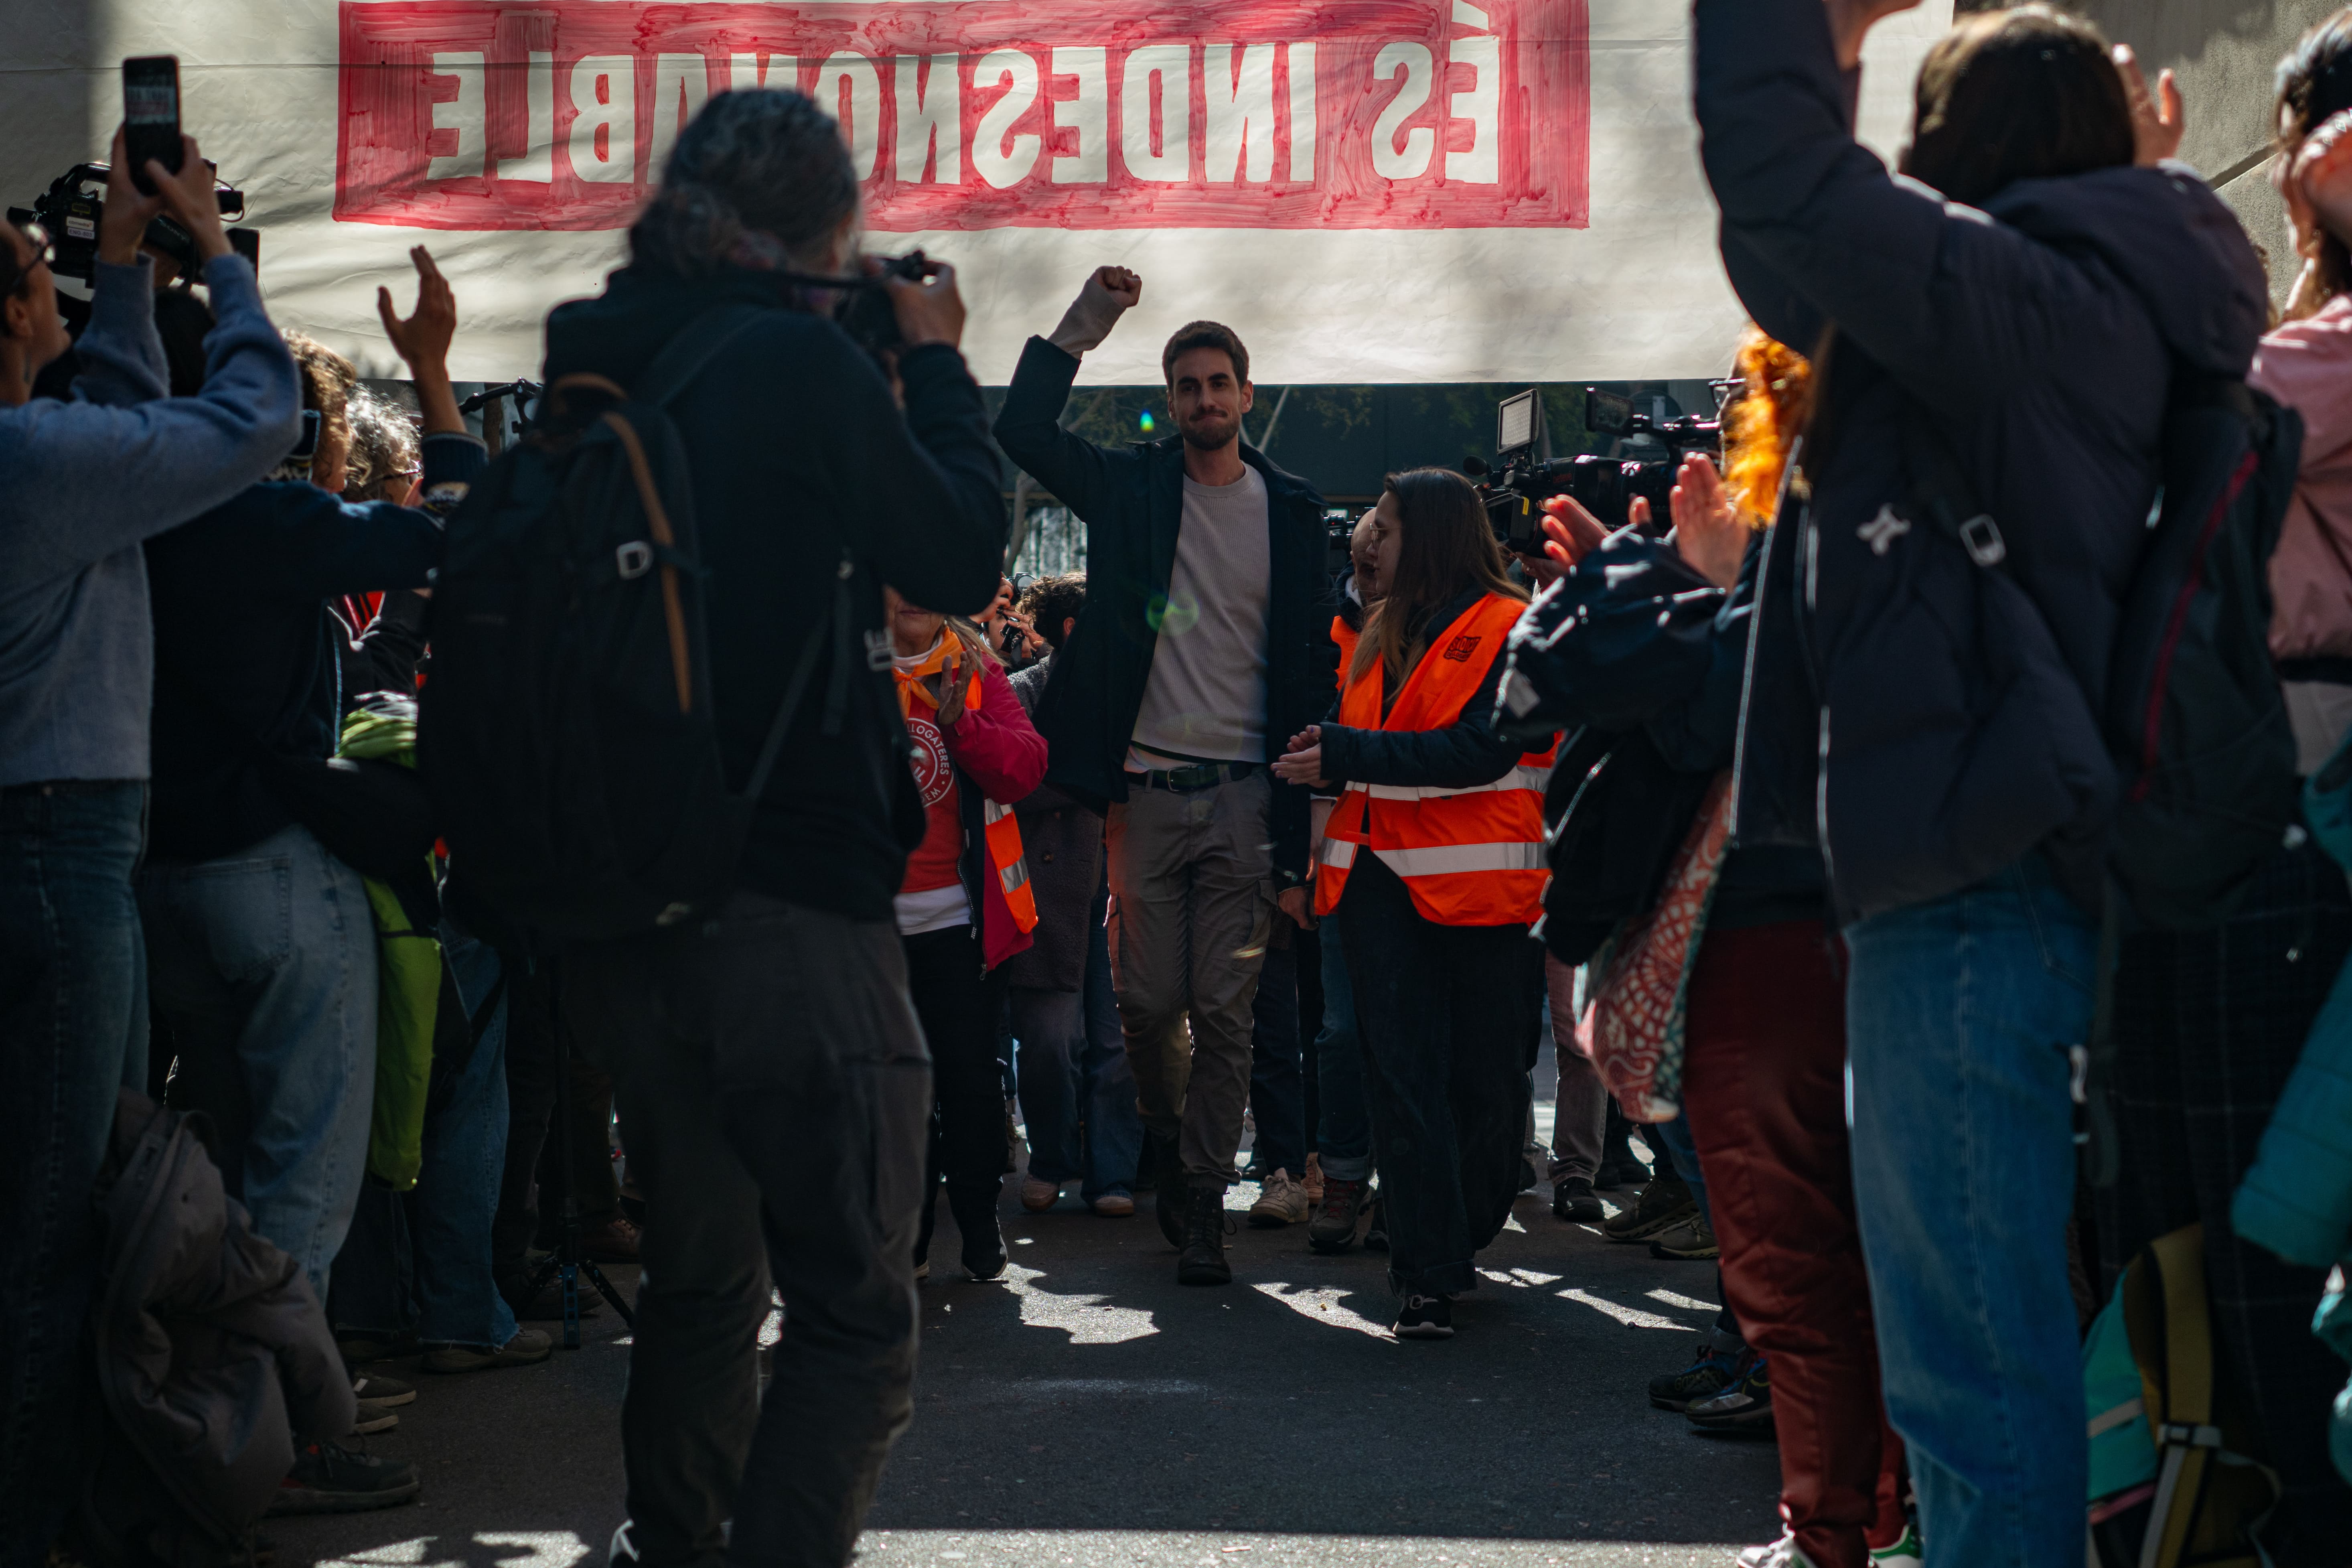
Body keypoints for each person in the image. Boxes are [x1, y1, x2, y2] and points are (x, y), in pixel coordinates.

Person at [1692, 2, 2268, 1563]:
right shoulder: (2102, 295)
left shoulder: (2006, 302)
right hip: (2048, 853)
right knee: (2001, 1333)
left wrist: (1795, 23)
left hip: (1968, 868)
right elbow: (1790, 246)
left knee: (1971, 1356)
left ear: (1952, 150)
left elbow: (1777, 178)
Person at [542, 86, 1003, 1568]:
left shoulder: (602, 362)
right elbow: (955, 547)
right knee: (857, 1316)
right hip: (795, 902)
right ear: (825, 231)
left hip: (628, 908)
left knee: (700, 1286)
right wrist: (935, 368)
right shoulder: (797, 368)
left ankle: (670, 1544)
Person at [1532, 331, 1914, 1563]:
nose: (1723, 413)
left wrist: (1678, 595)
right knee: (1895, 1262)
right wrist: (1663, 583)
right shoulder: (1896, 509)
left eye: (1744, 389)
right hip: (1901, 927)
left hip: (1784, 932)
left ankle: (1840, 1529)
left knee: (1801, 1266)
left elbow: (1708, 721)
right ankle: (1882, 1520)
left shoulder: (1812, 524)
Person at [0, 130, 300, 1564]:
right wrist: (221, 264)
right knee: (56, 1233)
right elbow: (251, 423)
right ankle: (40, 1527)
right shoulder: (29, 464)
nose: (51, 293)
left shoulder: (40, 463)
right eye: (33, 280)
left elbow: (111, 421)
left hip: (47, 841)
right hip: (56, 857)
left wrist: (120, 268)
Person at [2087, 24, 2352, 1561]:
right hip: (2217, 830)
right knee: (2180, 1252)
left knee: (2263, 1275)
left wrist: (2141, 202)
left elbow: (2194, 429)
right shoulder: (2294, 334)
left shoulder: (2304, 362)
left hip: (2298, 838)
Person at [994, 266, 1333, 1287]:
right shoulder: (1134, 487)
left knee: (1227, 1010)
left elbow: (1309, 669)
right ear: (1172, 397)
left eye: (1218, 382)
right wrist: (1080, 328)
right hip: (1140, 793)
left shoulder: (1294, 507)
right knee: (1145, 1005)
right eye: (1186, 385)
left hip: (1243, 793)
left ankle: (1199, 1198)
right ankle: (1163, 1134)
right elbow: (1022, 430)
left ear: (1246, 393)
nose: (1203, 400)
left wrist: (1301, 817)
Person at [1275, 469, 1553, 1340]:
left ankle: (1455, 1233)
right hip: (1374, 886)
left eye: (1384, 528)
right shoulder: (1374, 626)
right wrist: (1325, 743)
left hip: (1481, 895)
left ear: (1427, 539)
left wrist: (1347, 748)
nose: (1367, 540)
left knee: (1485, 1085)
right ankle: (1425, 1273)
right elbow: (1368, 732)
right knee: (1401, 1080)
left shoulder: (1515, 627)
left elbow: (1480, 749)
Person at [885, 585, 1048, 1280]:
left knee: (971, 1084)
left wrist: (963, 729)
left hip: (962, 920)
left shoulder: (974, 670)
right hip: (872, 926)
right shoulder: (842, 667)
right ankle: (909, 1238)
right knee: (898, 1093)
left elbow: (1026, 768)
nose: (910, 594)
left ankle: (981, 1225)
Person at [1007, 573, 1144, 1218]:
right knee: (1047, 1042)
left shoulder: (1135, 695)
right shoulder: (1021, 694)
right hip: (1046, 892)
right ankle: (1051, 1156)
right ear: (1074, 630)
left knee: (1116, 1045)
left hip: (1117, 882)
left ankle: (1113, 1174)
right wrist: (1089, 782)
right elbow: (1006, 783)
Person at [1307, 506, 1385, 1253]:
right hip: (1344, 866)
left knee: (1415, 1037)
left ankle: (1407, 1181)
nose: (1368, 569)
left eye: (1381, 553)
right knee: (1339, 1035)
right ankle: (1341, 1177)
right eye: (1360, 559)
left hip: (1431, 875)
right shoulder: (1322, 631)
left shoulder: (1453, 634)